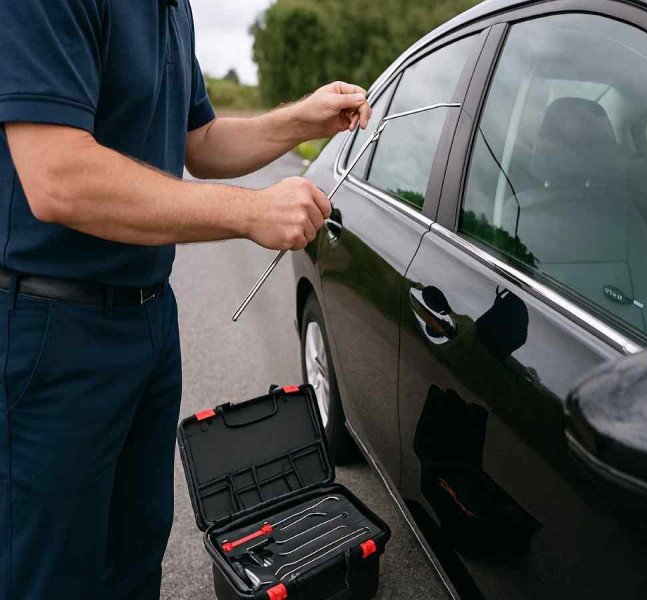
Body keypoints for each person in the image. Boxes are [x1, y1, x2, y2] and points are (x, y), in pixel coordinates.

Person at [0, 1, 372, 598]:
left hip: (149, 320)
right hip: (52, 328)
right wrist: (250, 210)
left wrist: (303, 120)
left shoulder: (175, 7)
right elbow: (58, 177)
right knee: (52, 573)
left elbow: (199, 140)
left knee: (136, 556)